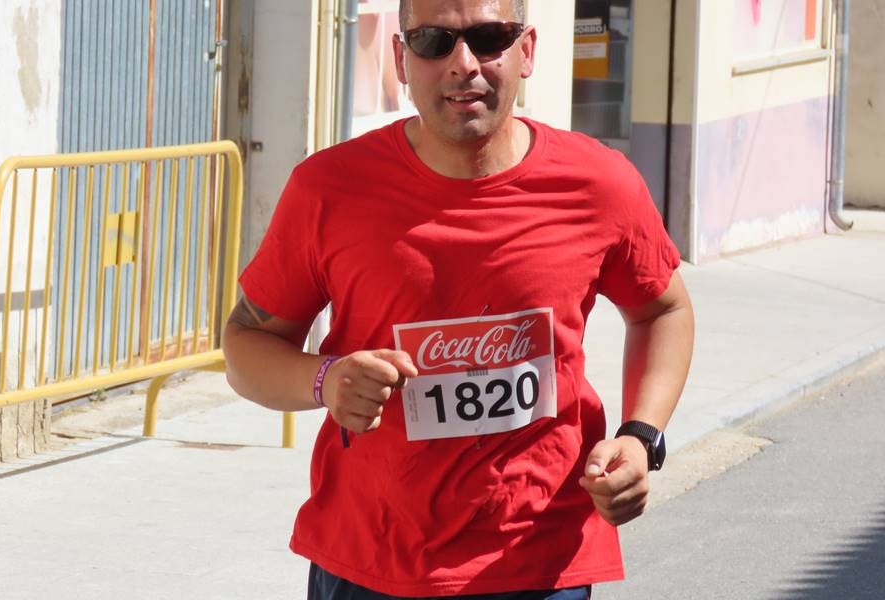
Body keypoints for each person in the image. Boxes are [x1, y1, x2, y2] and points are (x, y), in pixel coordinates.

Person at [223, 0, 694, 598]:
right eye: (433, 42)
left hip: (539, 560)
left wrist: (640, 434)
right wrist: (324, 380)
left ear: (527, 51)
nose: (463, 64)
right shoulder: (330, 189)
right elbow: (245, 346)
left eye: (489, 37)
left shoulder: (598, 183)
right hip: (373, 560)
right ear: (401, 58)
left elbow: (662, 308)